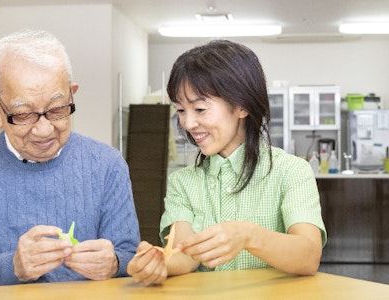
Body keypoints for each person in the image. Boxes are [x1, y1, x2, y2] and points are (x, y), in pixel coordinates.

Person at [127, 40, 327, 286]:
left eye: (200, 109)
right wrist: (158, 262)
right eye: (181, 110)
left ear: (242, 105)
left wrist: (247, 236)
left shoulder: (291, 171)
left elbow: (308, 255)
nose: (188, 124)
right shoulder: (183, 182)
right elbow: (185, 254)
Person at [0, 29, 140, 286]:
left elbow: (132, 257)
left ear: (72, 94)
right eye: (24, 114)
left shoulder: (107, 165)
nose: (44, 130)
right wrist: (13, 266)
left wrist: (115, 262)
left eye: (58, 110)